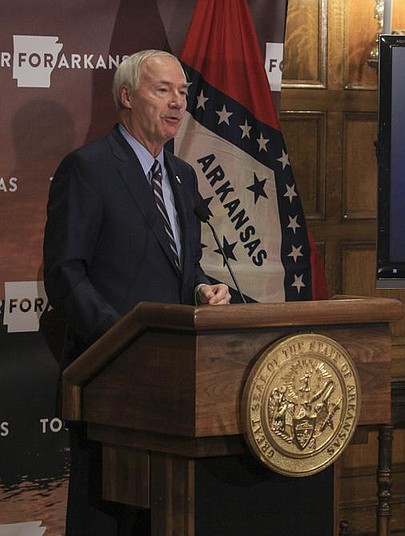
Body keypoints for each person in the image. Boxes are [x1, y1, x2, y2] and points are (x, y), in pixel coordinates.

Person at [43, 49, 230, 535]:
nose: (176, 103)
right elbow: (65, 273)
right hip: (111, 377)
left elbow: (179, 270)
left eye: (183, 93)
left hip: (173, 382)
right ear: (126, 96)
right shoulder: (88, 168)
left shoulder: (183, 177)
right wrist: (122, 339)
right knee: (106, 518)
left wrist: (203, 288)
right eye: (162, 90)